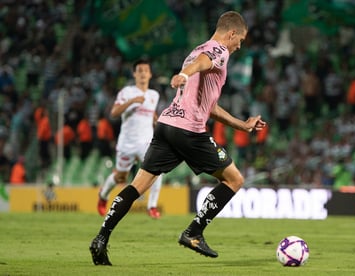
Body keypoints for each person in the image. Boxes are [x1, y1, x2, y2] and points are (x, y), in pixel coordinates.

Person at [89, 11, 266, 265]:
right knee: (235, 179)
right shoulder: (218, 51)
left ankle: (100, 238)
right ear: (232, 33)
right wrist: (185, 74)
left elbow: (209, 106)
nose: (240, 45)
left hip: (166, 126)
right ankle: (194, 232)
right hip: (189, 131)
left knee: (137, 186)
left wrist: (242, 125)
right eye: (241, 40)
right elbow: (204, 62)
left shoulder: (194, 50)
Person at [96, 58, 163, 220]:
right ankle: (103, 195)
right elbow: (113, 113)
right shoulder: (126, 92)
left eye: (145, 71)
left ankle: (152, 206)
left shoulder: (154, 95)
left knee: (157, 170)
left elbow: (151, 113)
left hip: (146, 142)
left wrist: (157, 120)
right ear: (134, 74)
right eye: (139, 71)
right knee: (121, 177)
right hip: (127, 142)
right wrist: (132, 102)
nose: (143, 74)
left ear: (150, 74)